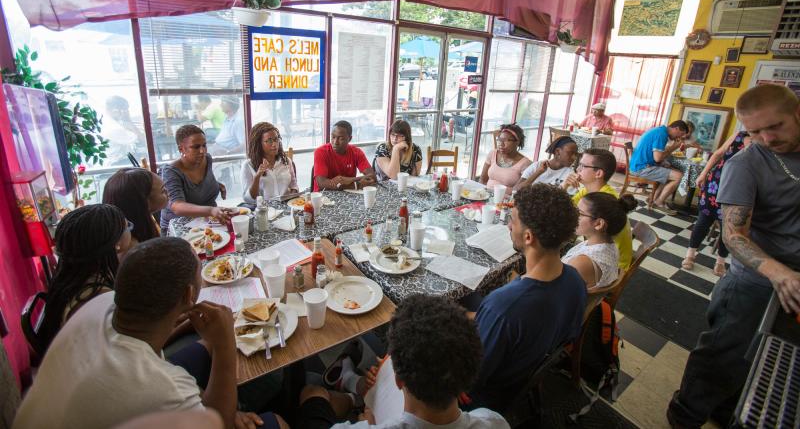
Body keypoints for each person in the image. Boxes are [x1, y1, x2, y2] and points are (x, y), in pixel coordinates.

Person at [14, 237, 288, 429]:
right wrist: (225, 342)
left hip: (78, 400)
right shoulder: (163, 388)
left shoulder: (100, 303)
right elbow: (221, 424)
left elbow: (147, 343)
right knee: (276, 422)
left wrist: (188, 326)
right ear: (190, 294)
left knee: (205, 344)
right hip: (135, 393)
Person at [667, 85, 800, 428]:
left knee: (768, 359)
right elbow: (733, 235)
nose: (766, 139)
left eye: (775, 127)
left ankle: (727, 409)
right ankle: (685, 414)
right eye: (754, 132)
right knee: (722, 354)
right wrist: (779, 273)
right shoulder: (745, 163)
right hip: (754, 279)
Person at [296, 294, 509, 428]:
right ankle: (355, 389)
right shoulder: (494, 422)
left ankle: (354, 392)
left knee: (312, 393)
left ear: (397, 380)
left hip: (368, 417)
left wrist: (364, 423)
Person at [469, 184, 586, 411]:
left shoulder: (503, 307)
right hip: (527, 363)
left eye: (512, 220)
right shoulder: (575, 280)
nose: (508, 226)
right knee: (469, 297)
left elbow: (473, 376)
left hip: (486, 397)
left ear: (529, 236)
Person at [37, 204, 132, 353]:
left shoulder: (72, 281)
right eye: (127, 227)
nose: (130, 230)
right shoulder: (97, 296)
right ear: (115, 244)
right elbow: (128, 350)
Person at [682, 130, 751, 276]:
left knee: (729, 226)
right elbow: (718, 154)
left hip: (741, 188)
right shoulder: (739, 135)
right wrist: (703, 173)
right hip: (717, 182)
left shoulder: (766, 143)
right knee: (703, 220)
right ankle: (690, 254)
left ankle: (720, 261)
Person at [565, 149, 634, 270]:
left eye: (583, 166)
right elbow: (564, 209)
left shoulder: (604, 201)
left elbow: (566, 216)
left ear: (598, 173)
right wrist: (564, 186)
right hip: (597, 251)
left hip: (612, 266)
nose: (577, 169)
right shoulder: (590, 191)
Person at [160, 125, 230, 235]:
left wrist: (216, 185)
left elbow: (199, 185)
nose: (202, 151)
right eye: (196, 147)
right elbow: (177, 206)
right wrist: (211, 210)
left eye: (204, 145)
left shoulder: (207, 159)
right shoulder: (171, 171)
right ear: (181, 149)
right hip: (178, 227)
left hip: (206, 223)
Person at [565, 192, 636, 288]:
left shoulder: (582, 263)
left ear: (599, 224)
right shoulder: (608, 244)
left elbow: (554, 291)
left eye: (579, 213)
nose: (572, 215)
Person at [629, 120, 690, 214]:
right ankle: (659, 202)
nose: (680, 137)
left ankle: (652, 198)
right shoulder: (662, 135)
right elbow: (658, 158)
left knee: (670, 170)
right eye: (680, 134)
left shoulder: (659, 130)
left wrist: (663, 161)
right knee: (679, 176)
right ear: (676, 128)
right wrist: (674, 147)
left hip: (639, 164)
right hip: (641, 168)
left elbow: (656, 157)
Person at [103, 168, 168, 246]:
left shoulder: (126, 232)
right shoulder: (132, 247)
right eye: (163, 190)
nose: (168, 192)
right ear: (145, 201)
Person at [241, 122, 298, 205]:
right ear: (259, 144)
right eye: (269, 141)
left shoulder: (286, 161)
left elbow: (294, 186)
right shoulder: (248, 166)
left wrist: (293, 198)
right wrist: (257, 176)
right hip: (264, 211)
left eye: (276, 139)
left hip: (287, 208)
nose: (274, 144)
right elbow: (248, 199)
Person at [313, 120, 377, 191]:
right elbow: (322, 183)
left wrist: (349, 179)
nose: (335, 142)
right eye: (333, 137)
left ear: (349, 139)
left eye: (341, 138)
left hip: (349, 195)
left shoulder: (356, 152)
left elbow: (372, 177)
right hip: (324, 196)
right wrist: (356, 184)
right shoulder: (320, 152)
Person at [480, 124, 532, 193]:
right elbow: (483, 180)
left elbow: (523, 192)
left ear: (517, 142)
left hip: (507, 201)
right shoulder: (493, 153)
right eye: (500, 139)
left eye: (506, 140)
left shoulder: (526, 163)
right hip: (486, 195)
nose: (501, 144)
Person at [104, 95, 146, 165]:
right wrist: (128, 120)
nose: (126, 112)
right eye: (125, 109)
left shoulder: (114, 123)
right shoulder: (113, 127)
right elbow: (142, 139)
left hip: (119, 160)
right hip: (115, 163)